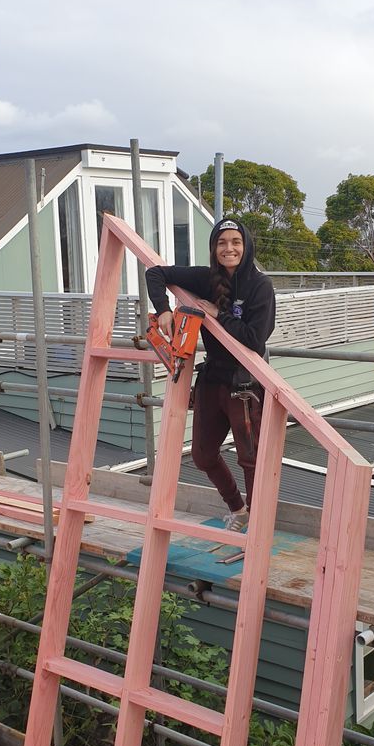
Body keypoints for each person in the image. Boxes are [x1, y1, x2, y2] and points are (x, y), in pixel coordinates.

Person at [145, 218, 276, 530]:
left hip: (246, 383)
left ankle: (257, 527)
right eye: (221, 243)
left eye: (235, 242)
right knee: (203, 455)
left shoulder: (260, 287)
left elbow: (255, 340)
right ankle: (238, 508)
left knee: (251, 461)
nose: (228, 248)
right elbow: (156, 273)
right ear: (214, 248)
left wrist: (220, 315)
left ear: (246, 247)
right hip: (213, 379)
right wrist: (163, 309)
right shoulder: (207, 279)